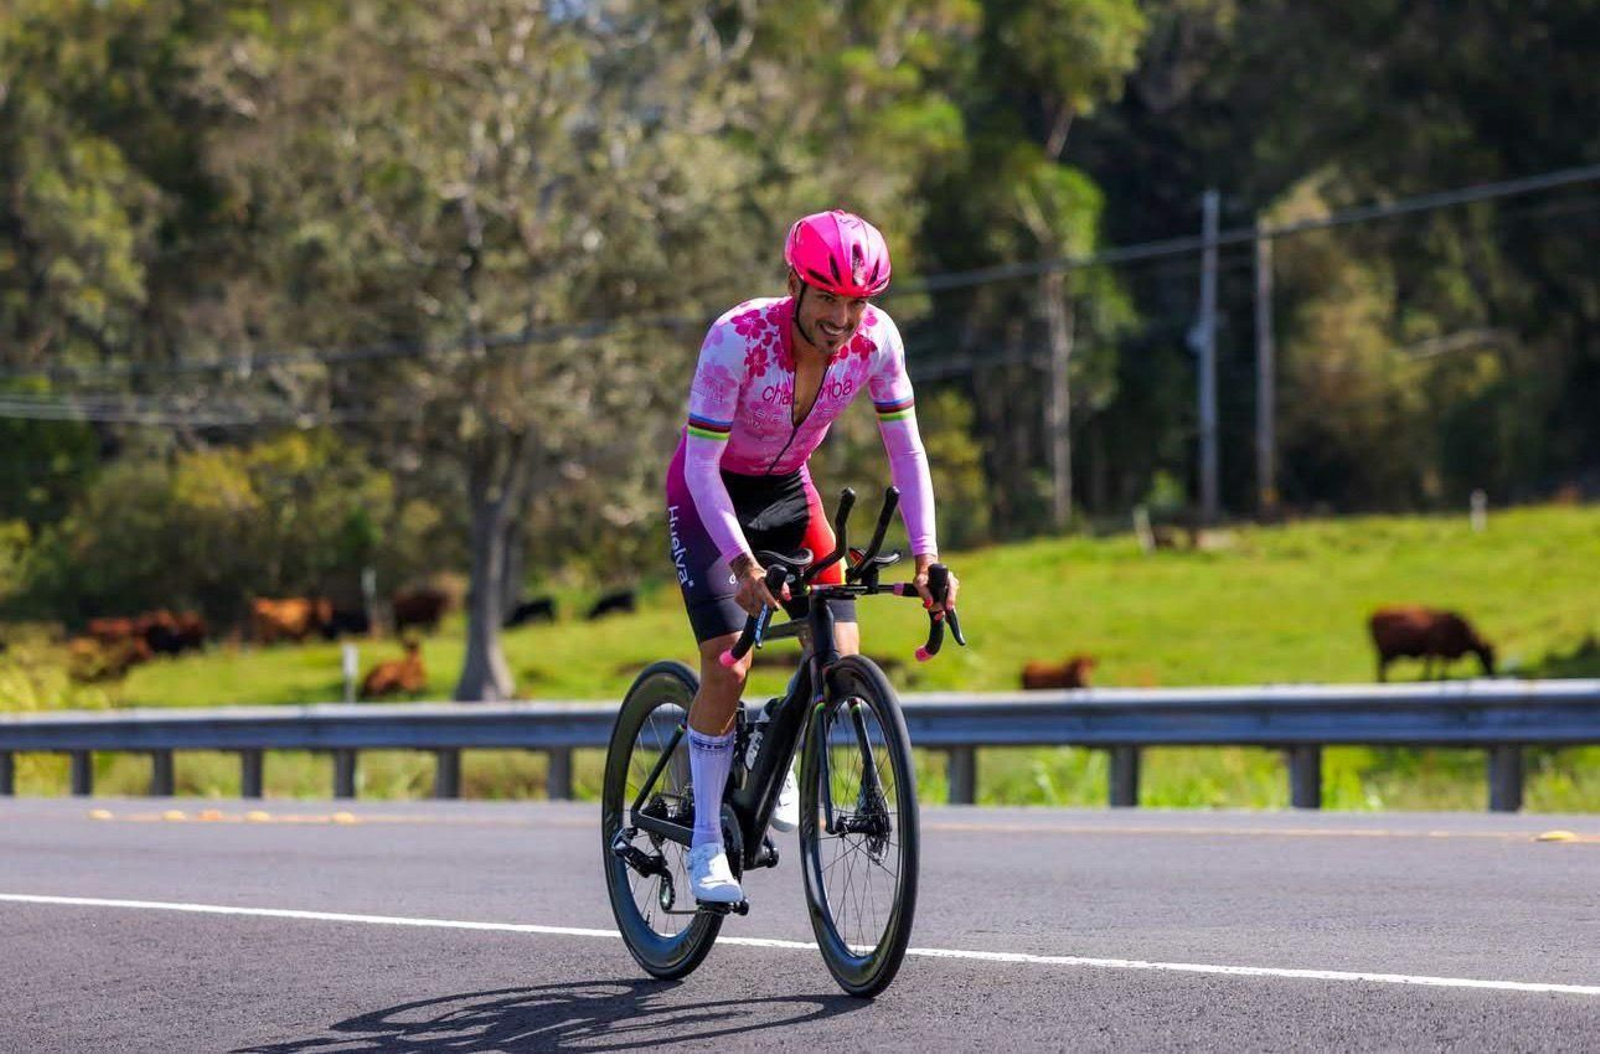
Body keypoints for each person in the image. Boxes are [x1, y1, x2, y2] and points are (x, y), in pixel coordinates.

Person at [665, 209, 960, 904]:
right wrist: (740, 561)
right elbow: (703, 468)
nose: (842, 317)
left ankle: (776, 735)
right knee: (727, 663)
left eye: (857, 301)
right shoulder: (736, 339)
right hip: (710, 493)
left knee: (839, 649)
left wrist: (927, 557)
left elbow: (906, 450)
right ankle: (707, 840)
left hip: (789, 489)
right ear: (794, 285)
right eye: (827, 297)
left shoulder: (877, 342)